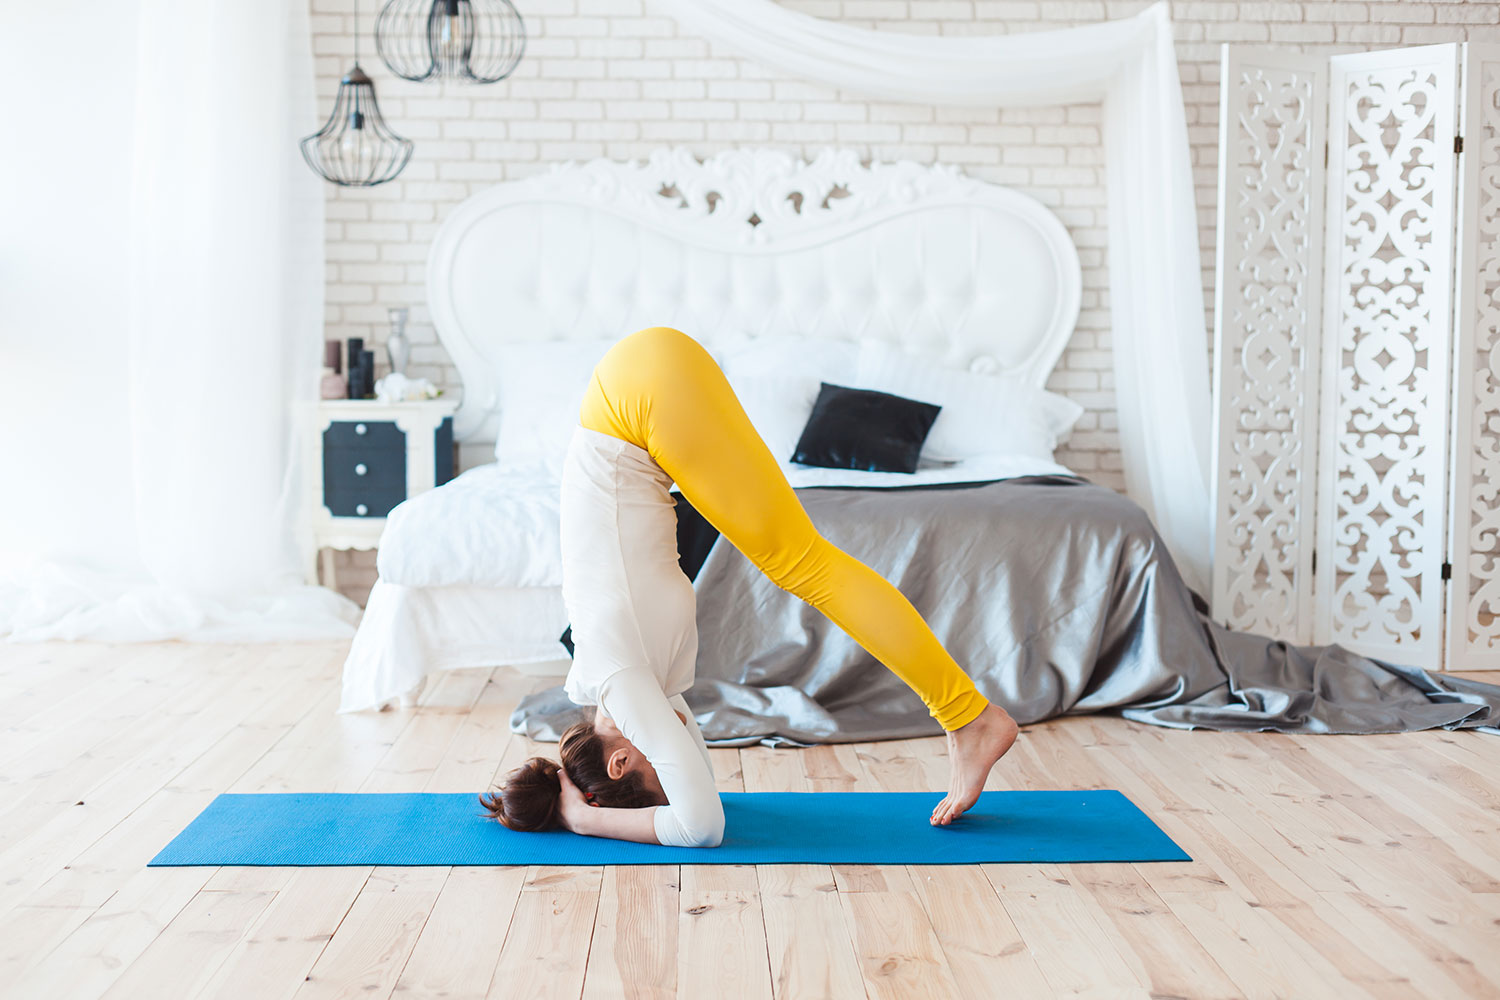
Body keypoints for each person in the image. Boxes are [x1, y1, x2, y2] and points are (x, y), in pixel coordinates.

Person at [481, 326, 1019, 846]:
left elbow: (701, 827)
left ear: (620, 761)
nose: (672, 759)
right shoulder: (640, 680)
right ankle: (965, 714)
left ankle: (968, 717)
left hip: (637, 396)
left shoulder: (620, 679)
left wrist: (585, 821)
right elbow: (702, 790)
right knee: (800, 561)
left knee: (804, 563)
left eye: (659, 773)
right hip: (642, 382)